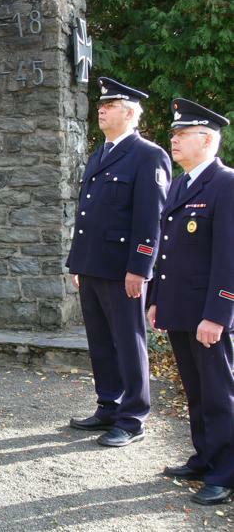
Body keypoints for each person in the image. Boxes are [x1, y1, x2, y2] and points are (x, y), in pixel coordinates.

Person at [66, 77, 171, 447]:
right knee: (100, 342)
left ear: (128, 113)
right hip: (93, 264)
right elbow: (87, 214)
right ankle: (108, 405)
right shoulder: (101, 153)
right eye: (101, 105)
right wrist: (77, 262)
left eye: (109, 106)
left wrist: (140, 270)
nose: (101, 110)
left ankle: (133, 417)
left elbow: (150, 219)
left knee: (129, 342)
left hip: (122, 269)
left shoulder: (148, 155)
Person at [147, 99, 233, 506]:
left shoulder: (226, 183)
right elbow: (167, 251)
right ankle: (204, 457)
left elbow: (228, 258)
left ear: (207, 139)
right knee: (195, 391)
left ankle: (225, 471)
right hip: (180, 308)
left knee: (218, 393)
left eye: (182, 134)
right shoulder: (182, 184)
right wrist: (157, 300)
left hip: (207, 314)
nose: (174, 139)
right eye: (174, 134)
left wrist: (218, 315)